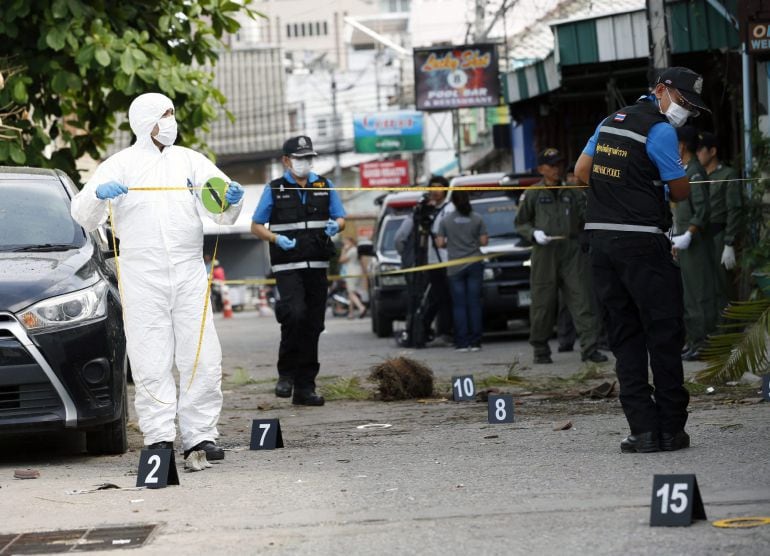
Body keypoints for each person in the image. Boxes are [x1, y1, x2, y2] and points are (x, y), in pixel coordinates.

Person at [71, 92, 244, 463]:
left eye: (172, 114)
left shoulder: (189, 160)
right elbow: (83, 215)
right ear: (147, 121)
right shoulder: (119, 165)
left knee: (202, 354)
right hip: (140, 272)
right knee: (150, 356)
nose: (171, 121)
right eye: (166, 114)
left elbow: (220, 208)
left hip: (188, 269)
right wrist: (99, 196)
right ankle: (159, 438)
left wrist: (232, 198)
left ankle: (200, 436)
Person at [575, 66, 711, 453]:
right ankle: (670, 429)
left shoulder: (609, 121)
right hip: (643, 248)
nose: (685, 111)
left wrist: (620, 187)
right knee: (663, 335)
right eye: (683, 102)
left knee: (625, 338)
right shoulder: (660, 130)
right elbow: (681, 192)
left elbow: (582, 172)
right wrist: (653, 182)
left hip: (601, 245)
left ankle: (643, 430)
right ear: (661, 91)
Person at [251, 135, 346, 406]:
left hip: (317, 265)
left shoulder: (324, 185)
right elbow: (255, 225)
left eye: (309, 158)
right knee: (295, 314)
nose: (305, 163)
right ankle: (286, 376)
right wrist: (275, 238)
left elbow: (341, 218)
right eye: (300, 158)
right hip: (287, 265)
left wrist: (336, 226)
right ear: (286, 160)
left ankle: (305, 388)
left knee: (313, 325)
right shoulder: (275, 188)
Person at [514, 148, 608, 365]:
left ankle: (590, 348)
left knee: (582, 298)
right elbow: (520, 223)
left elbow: (587, 216)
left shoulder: (573, 192)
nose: (557, 169)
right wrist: (533, 233)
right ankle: (540, 349)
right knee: (542, 303)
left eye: (559, 164)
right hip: (544, 251)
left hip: (571, 249)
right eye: (552, 165)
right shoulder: (532, 194)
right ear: (541, 169)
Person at [394, 176, 454, 347]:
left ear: (446, 189)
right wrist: (409, 258)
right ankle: (418, 333)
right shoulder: (417, 214)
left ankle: (442, 330)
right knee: (421, 299)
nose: (435, 191)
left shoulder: (449, 210)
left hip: (446, 261)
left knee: (442, 298)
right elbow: (400, 238)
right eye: (432, 187)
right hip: (423, 264)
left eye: (439, 187)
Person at [672, 126, 715, 361]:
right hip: (684, 241)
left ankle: (704, 342)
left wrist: (689, 233)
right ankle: (694, 340)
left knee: (699, 295)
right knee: (688, 296)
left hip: (695, 242)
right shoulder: (684, 170)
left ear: (682, 145)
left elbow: (702, 210)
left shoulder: (695, 173)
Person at [696, 131, 743, 319]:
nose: (698, 154)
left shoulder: (728, 174)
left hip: (720, 235)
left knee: (723, 285)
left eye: (701, 150)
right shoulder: (697, 175)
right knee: (705, 286)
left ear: (712, 151)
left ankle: (729, 330)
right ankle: (712, 330)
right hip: (702, 236)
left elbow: (735, 208)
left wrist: (729, 242)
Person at [436, 190, 487, 351]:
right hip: (474, 264)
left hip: (455, 267)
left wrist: (451, 244)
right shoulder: (477, 218)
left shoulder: (446, 220)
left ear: (453, 202)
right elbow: (484, 241)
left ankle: (462, 342)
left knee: (459, 305)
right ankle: (476, 341)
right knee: (474, 303)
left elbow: (440, 243)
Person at [339, 236, 367, 318]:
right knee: (352, 292)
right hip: (358, 272)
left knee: (351, 293)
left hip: (351, 272)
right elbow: (362, 263)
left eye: (346, 243)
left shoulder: (351, 251)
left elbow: (341, 260)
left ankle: (361, 307)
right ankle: (351, 313)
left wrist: (343, 250)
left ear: (350, 242)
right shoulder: (357, 250)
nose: (345, 244)